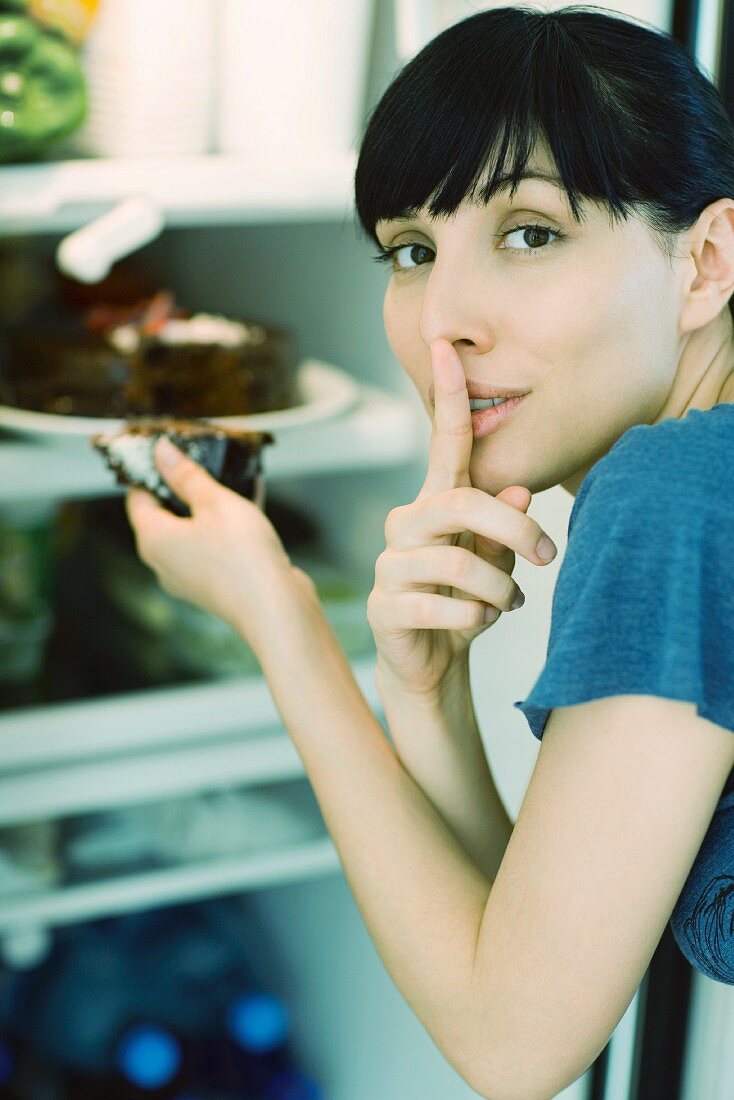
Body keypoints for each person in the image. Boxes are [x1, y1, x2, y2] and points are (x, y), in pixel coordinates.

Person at [126, 6, 734, 1098]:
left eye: (529, 232)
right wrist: (423, 693)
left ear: (703, 263)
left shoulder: (675, 494)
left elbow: (515, 1044)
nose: (443, 316)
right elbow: (542, 956)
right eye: (411, 250)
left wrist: (280, 615)